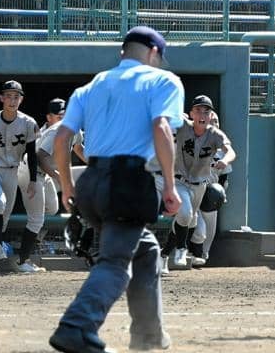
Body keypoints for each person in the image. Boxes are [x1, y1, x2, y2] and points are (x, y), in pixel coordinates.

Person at [49, 25, 184, 353]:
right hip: (128, 182)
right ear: (154, 52)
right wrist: (170, 185)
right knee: (114, 262)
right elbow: (161, 128)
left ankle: (148, 335)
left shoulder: (92, 85)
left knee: (146, 250)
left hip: (91, 182)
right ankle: (76, 327)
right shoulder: (163, 81)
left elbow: (62, 138)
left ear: (123, 51)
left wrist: (67, 186)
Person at [159, 95, 236, 274]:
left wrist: (225, 160)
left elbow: (231, 151)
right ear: (192, 113)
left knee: (187, 220)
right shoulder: (182, 125)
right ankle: (181, 249)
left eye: (206, 112)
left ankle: (163, 255)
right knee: (185, 213)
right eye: (198, 111)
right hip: (180, 181)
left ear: (211, 115)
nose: (202, 115)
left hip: (199, 185)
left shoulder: (215, 134)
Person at [16, 97, 86, 273]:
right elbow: (40, 157)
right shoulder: (56, 130)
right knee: (36, 219)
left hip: (45, 173)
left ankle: (32, 241)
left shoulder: (75, 129)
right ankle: (22, 261)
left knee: (52, 209)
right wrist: (57, 176)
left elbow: (78, 148)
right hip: (30, 172)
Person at [0, 80, 39, 275]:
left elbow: (32, 154)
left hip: (12, 171)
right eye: (8, 96)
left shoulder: (28, 123)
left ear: (21, 100)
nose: (12, 100)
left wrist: (33, 180)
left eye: (16, 97)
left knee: (5, 217)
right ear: (1, 98)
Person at [187, 111, 233, 266]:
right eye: (211, 121)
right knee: (199, 229)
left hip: (210, 195)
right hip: (193, 191)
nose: (215, 124)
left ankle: (202, 256)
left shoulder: (222, 149)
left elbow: (224, 176)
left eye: (216, 121)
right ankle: (191, 254)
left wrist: (222, 192)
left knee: (209, 231)